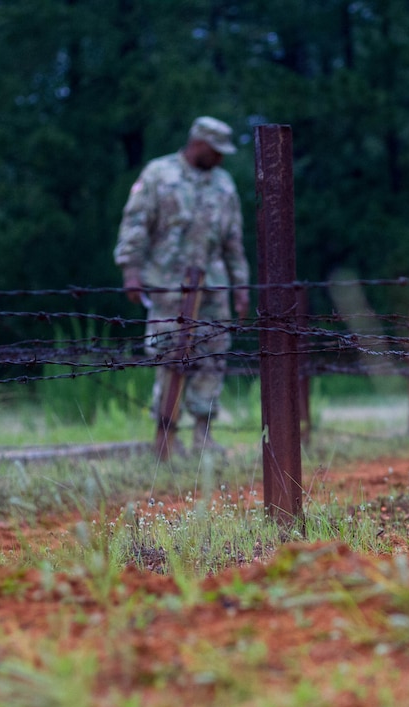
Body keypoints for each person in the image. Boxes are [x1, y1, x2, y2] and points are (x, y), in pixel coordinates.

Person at [114, 116, 249, 455]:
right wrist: (131, 270)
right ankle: (165, 439)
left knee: (212, 359)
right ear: (199, 144)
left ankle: (204, 436)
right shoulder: (159, 174)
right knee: (169, 356)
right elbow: (135, 224)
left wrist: (241, 287)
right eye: (216, 151)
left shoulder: (224, 184)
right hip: (168, 287)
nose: (221, 159)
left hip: (213, 290)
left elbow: (233, 241)